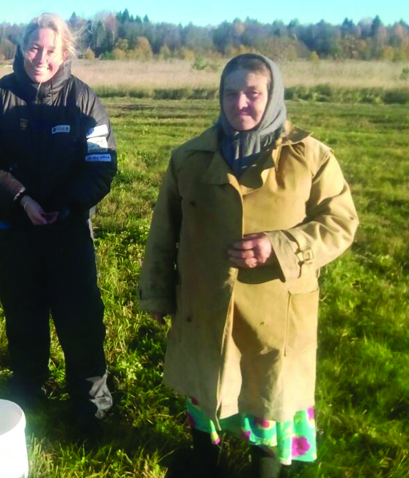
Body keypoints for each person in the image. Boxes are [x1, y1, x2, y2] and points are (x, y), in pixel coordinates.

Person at [139, 53, 358, 477]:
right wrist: (156, 292)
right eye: (231, 94)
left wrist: (281, 246)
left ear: (272, 95)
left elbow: (340, 223)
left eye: (253, 93)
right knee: (206, 384)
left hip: (278, 313)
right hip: (204, 304)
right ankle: (205, 458)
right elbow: (163, 231)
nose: (240, 103)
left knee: (268, 393)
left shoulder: (310, 157)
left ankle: (266, 466)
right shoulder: (189, 158)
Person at [0, 13, 116, 432]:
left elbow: (101, 167)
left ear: (65, 52)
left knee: (81, 318)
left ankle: (91, 408)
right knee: (23, 314)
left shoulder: (85, 101)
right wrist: (21, 198)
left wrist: (67, 205)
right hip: (15, 230)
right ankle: (26, 396)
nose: (41, 58)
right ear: (21, 47)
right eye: (34, 47)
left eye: (51, 50)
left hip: (68, 230)